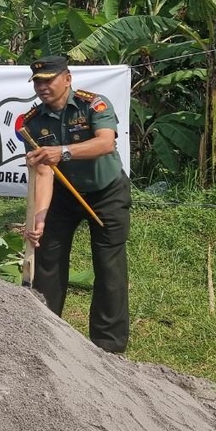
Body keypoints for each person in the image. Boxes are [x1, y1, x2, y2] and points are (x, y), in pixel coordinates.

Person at [22, 55, 131, 354]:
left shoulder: (93, 104)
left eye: (49, 80)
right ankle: (45, 335)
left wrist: (63, 152)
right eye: (38, 83)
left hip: (107, 192)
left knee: (109, 266)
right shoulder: (32, 122)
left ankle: (108, 346)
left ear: (67, 79)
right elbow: (44, 171)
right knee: (48, 260)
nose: (43, 87)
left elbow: (106, 142)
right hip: (63, 196)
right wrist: (40, 217)